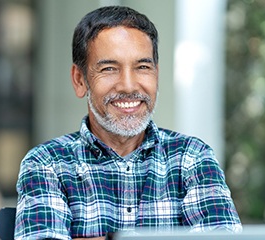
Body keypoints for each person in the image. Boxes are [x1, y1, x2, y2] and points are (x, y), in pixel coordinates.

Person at [14, 5, 242, 240]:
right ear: (79, 79)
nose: (129, 86)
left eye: (142, 67)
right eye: (109, 68)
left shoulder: (192, 157)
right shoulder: (47, 164)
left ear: (157, 74)